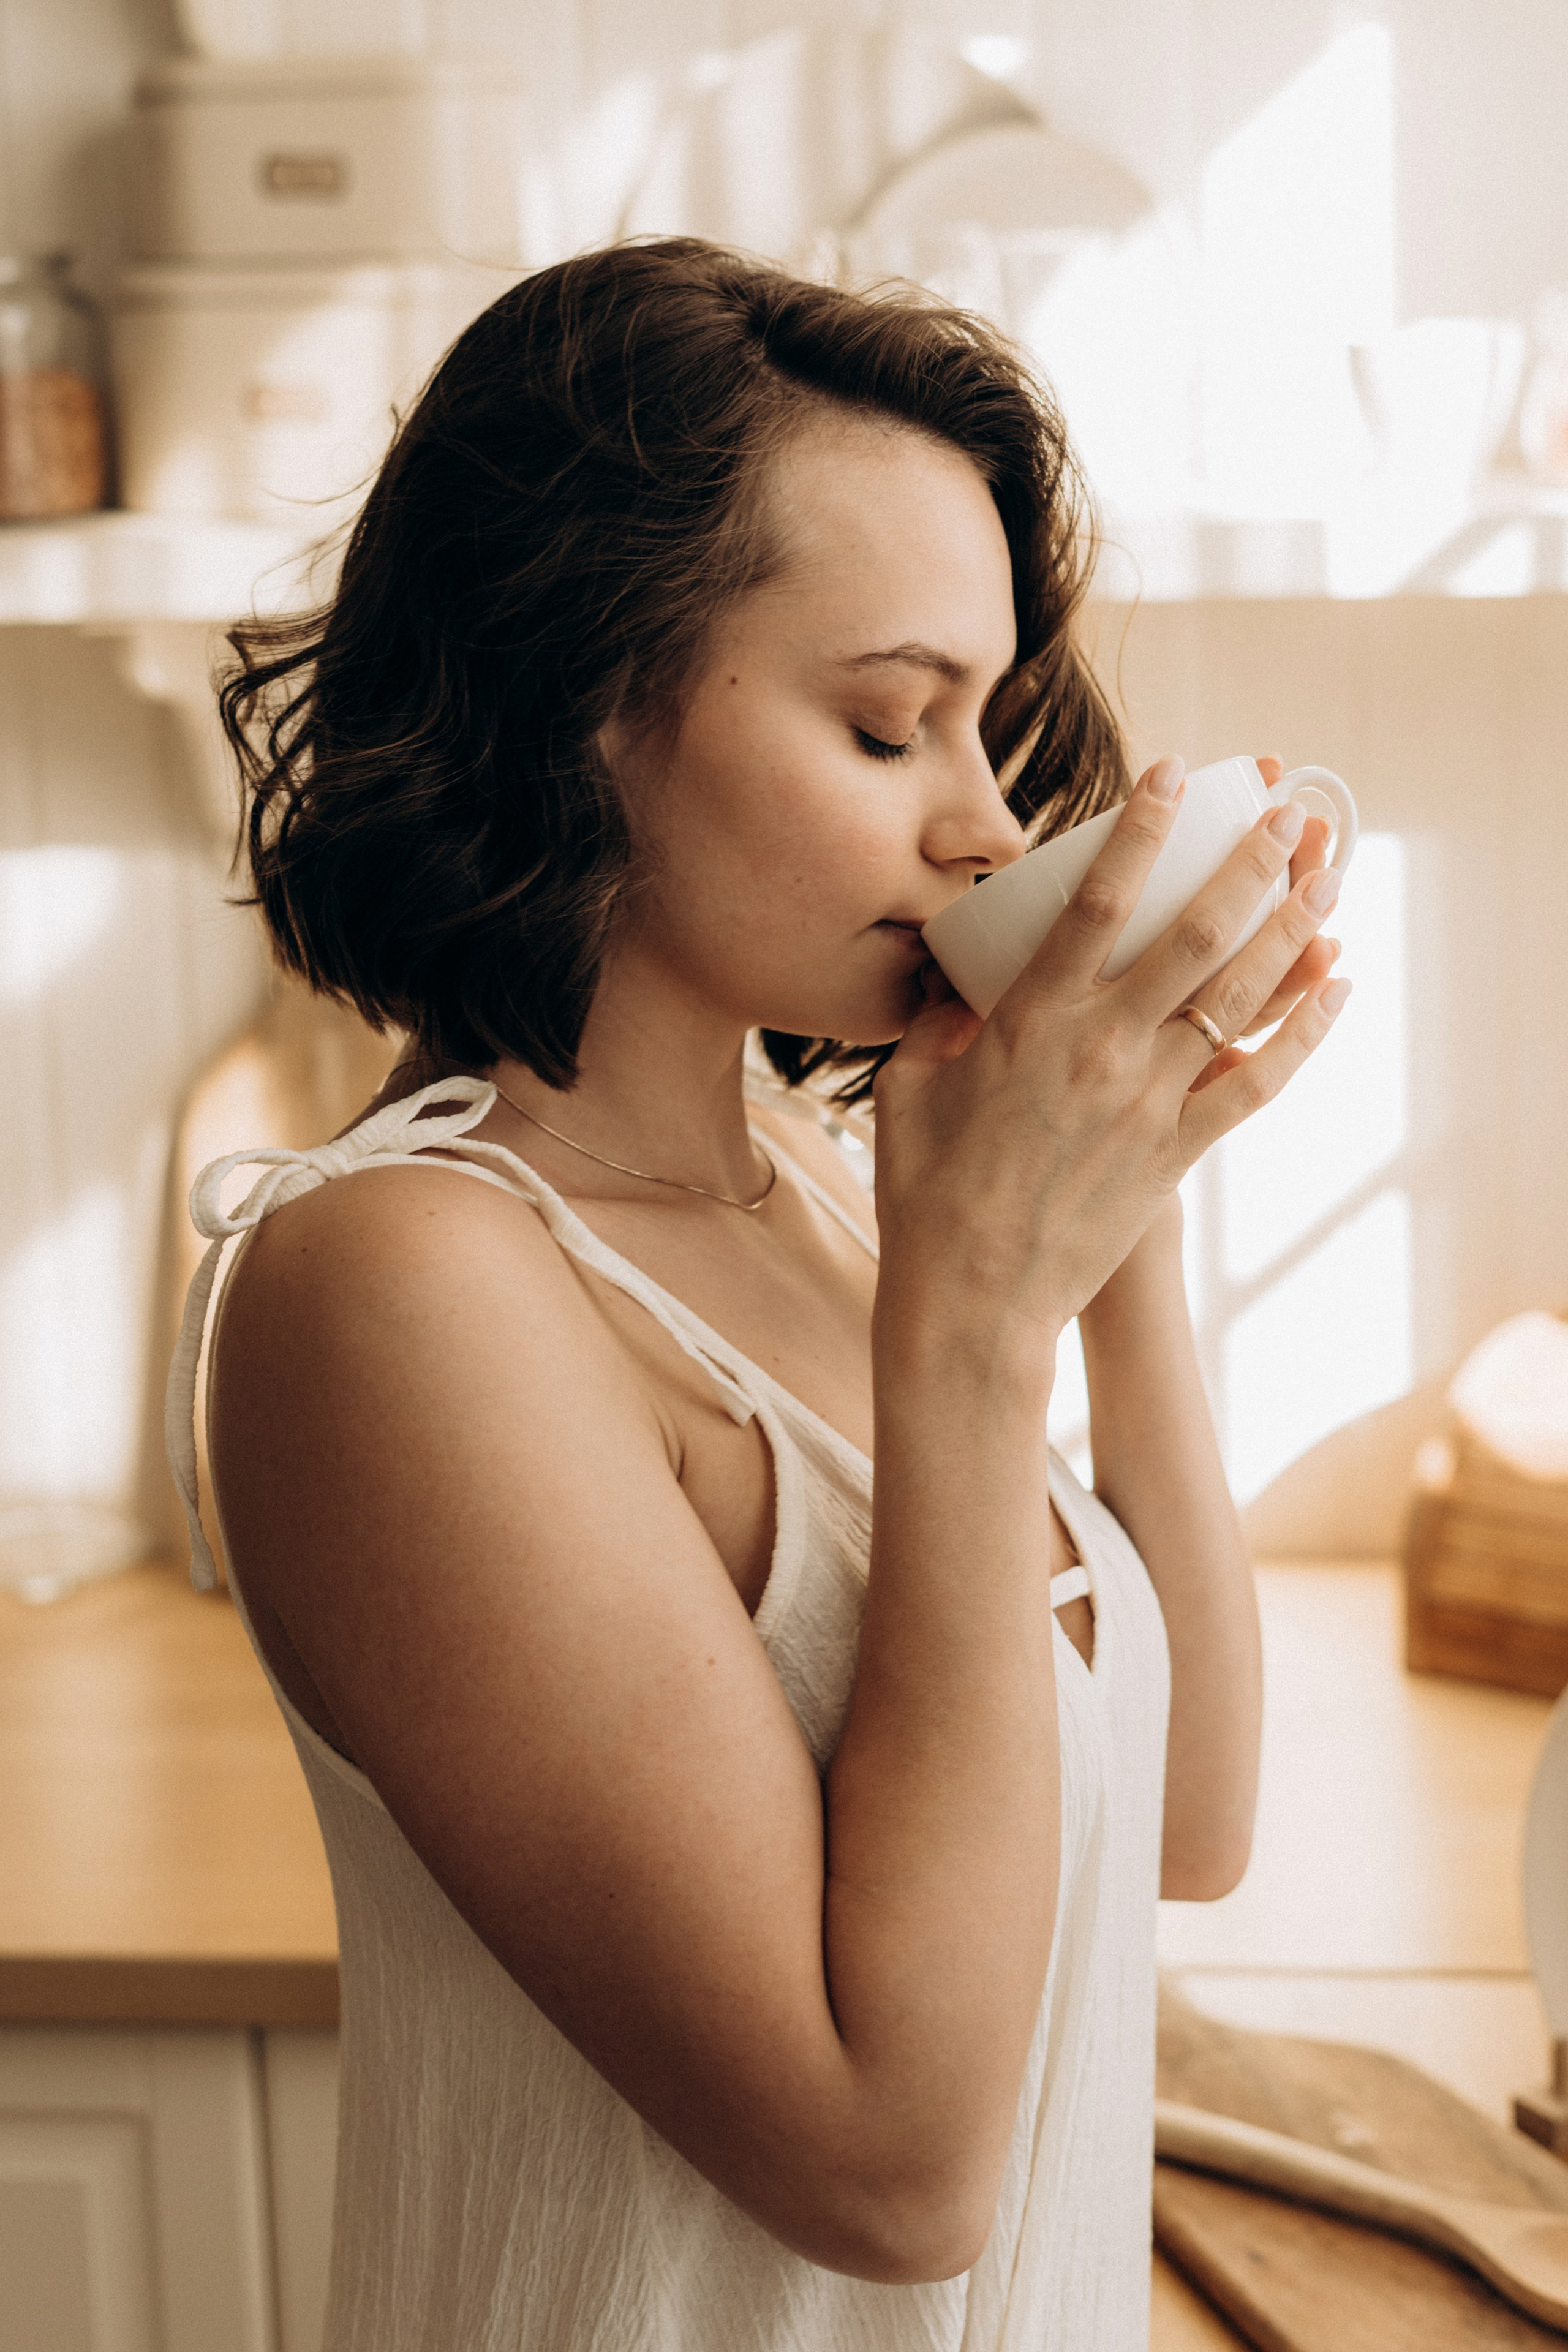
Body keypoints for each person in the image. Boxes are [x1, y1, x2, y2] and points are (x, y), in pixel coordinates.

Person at [168, 237, 1348, 2351]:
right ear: (582, 699)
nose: (987, 825)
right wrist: (976, 1321)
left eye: (988, 727)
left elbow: (1187, 1822)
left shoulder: (819, 1189)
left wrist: (1120, 1222)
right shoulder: (400, 1283)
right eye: (891, 725)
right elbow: (890, 2169)